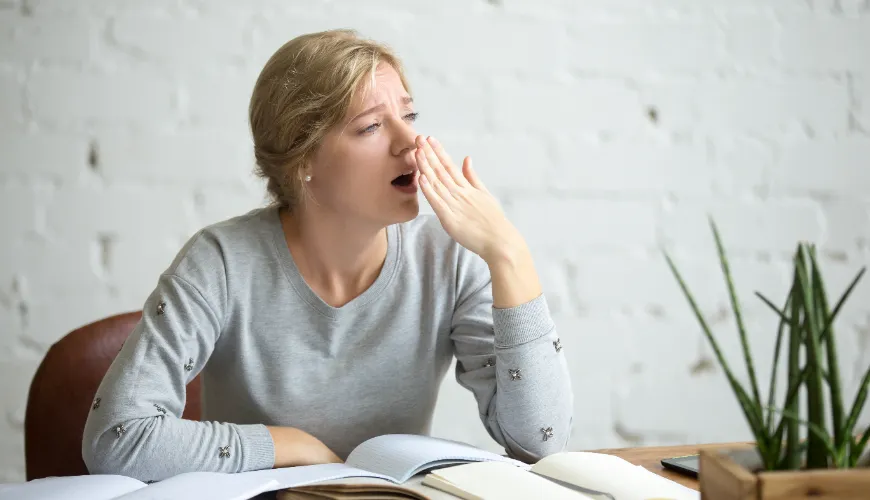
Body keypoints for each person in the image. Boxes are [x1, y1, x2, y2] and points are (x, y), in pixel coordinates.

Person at [82, 28, 574, 483]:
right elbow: (115, 437)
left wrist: (509, 256)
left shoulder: (448, 258)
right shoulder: (222, 262)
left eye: (409, 116)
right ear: (303, 162)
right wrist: (283, 445)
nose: (411, 144)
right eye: (370, 127)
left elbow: (538, 442)